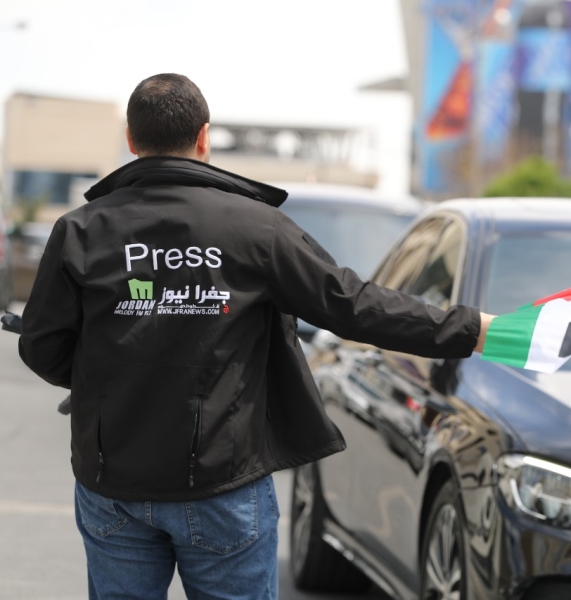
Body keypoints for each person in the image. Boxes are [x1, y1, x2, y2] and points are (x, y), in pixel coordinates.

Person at [18, 73, 493, 600]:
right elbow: (353, 306)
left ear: (131, 140)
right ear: (204, 136)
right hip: (222, 482)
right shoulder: (257, 228)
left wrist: (111, 383)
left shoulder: (81, 230)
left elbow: (41, 346)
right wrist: (473, 329)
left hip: (114, 483)